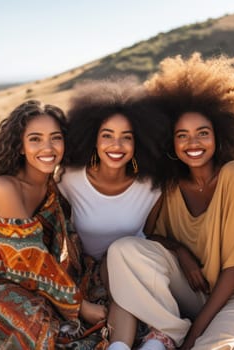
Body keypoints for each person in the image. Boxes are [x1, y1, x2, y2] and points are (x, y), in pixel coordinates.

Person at [106, 53, 234, 350]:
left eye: (203, 133)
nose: (193, 143)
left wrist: (194, 338)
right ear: (171, 143)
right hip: (192, 292)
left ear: (221, 136)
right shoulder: (171, 183)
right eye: (182, 135)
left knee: (218, 346)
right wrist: (180, 253)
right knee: (123, 250)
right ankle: (169, 332)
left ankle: (188, 337)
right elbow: (150, 237)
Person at [0, 100, 107, 349]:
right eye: (35, 139)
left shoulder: (54, 185)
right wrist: (80, 307)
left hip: (33, 283)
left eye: (55, 138)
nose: (47, 147)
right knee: (31, 323)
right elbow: (31, 259)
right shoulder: (4, 187)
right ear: (20, 146)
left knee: (93, 283)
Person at [56, 77, 169, 346]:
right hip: (87, 272)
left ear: (139, 141)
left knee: (123, 271)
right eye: (107, 135)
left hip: (134, 267)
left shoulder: (151, 187)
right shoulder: (69, 179)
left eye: (126, 138)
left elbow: (152, 235)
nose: (116, 146)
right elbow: (60, 234)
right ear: (93, 138)